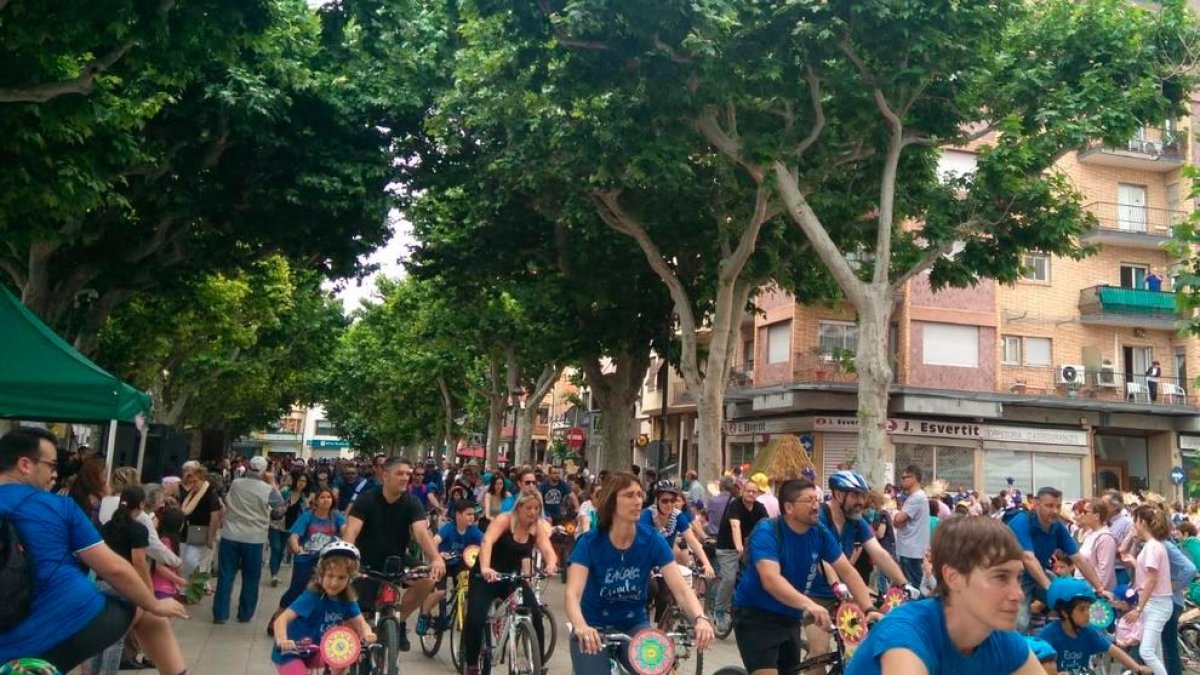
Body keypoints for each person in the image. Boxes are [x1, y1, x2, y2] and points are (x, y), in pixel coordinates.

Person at [0, 427, 190, 674]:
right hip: (76, 622)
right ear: (25, 464)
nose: (55, 474)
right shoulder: (58, 506)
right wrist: (154, 603)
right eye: (51, 465)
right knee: (145, 609)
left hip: (8, 649)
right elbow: (114, 569)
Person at [844, 515, 1042, 675]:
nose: (1018, 594)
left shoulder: (1001, 640)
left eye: (1018, 577)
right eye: (1000, 577)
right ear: (953, 577)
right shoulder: (907, 631)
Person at [565, 473, 714, 675]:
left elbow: (681, 589)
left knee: (654, 668)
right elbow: (572, 595)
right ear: (611, 502)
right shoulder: (590, 542)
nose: (637, 501)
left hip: (633, 625)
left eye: (639, 495)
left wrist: (700, 618)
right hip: (593, 627)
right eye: (629, 495)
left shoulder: (652, 539)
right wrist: (581, 626)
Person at [731, 478, 878, 675]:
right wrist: (809, 604)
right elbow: (771, 580)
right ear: (789, 508)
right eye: (809, 500)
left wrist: (868, 608)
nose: (816, 505)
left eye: (817, 499)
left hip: (790, 615)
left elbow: (847, 571)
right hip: (756, 614)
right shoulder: (767, 531)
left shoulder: (818, 532)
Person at [809, 471, 916, 665]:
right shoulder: (820, 519)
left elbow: (879, 553)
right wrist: (835, 584)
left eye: (862, 495)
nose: (861, 501)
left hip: (844, 594)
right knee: (819, 653)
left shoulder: (857, 521)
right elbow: (827, 560)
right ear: (839, 495)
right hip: (813, 595)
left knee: (858, 649)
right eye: (855, 495)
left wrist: (904, 584)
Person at [342, 456, 444, 652]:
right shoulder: (366, 500)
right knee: (356, 622)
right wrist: (346, 559)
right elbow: (351, 531)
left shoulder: (413, 502)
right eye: (400, 473)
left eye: (408, 473)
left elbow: (421, 533)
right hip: (365, 562)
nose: (405, 477)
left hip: (397, 560)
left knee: (427, 579)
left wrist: (436, 558)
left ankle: (398, 622)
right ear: (385, 475)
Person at [462, 489, 557, 675]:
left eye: (537, 508)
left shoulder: (536, 528)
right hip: (486, 576)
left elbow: (548, 551)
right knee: (477, 616)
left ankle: (538, 662)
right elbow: (487, 541)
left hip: (512, 577)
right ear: (519, 508)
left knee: (535, 613)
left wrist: (552, 565)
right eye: (529, 508)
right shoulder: (504, 520)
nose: (533, 512)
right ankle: (472, 663)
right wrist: (485, 568)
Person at [1007, 487, 1110, 633]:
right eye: (1049, 506)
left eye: (1058, 506)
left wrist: (1100, 588)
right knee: (1020, 623)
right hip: (1015, 578)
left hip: (1039, 573)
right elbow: (1028, 559)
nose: (1055, 511)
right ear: (1036, 504)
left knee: (1072, 603)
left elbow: (1079, 559)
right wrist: (1051, 589)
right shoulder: (1021, 522)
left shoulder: (1057, 527)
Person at [271, 541, 376, 675]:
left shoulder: (347, 600)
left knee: (345, 654)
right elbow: (281, 619)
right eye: (330, 576)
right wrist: (282, 640)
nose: (334, 583)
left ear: (350, 579)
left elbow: (361, 623)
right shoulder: (311, 597)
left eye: (341, 577)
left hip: (318, 651)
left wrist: (367, 633)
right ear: (321, 575)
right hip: (291, 653)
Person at [214, 455, 281, 624]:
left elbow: (226, 499)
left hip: (230, 535)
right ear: (265, 471)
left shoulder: (236, 484)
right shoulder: (267, 489)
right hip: (254, 538)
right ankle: (245, 614)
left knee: (226, 575)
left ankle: (220, 614)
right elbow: (279, 506)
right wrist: (272, 482)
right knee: (251, 578)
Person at [1037, 578, 1149, 674]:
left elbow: (1113, 650)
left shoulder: (1088, 632)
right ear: (1064, 612)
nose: (1088, 613)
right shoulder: (1048, 635)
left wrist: (1138, 668)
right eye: (1081, 609)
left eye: (1088, 608)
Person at [641, 480, 715, 624]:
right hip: (645, 561)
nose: (669, 504)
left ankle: (663, 632)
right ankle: (642, 625)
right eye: (665, 501)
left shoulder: (678, 516)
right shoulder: (646, 516)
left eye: (673, 500)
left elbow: (693, 541)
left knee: (666, 597)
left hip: (665, 562)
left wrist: (707, 563)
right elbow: (641, 544)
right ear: (657, 500)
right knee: (650, 588)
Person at [416, 499, 483, 636]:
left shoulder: (473, 531)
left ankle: (464, 617)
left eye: (473, 514)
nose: (472, 517)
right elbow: (434, 542)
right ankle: (424, 615)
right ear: (458, 515)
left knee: (467, 588)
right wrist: (438, 556)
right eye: (468, 514)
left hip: (460, 564)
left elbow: (486, 543)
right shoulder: (449, 528)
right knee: (439, 592)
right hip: (443, 564)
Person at [1122, 504, 1175, 675]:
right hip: (1157, 603)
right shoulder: (1154, 545)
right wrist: (1135, 563)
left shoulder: (1152, 546)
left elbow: (1152, 580)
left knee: (1147, 651)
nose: (1134, 525)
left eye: (1135, 521)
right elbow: (1150, 577)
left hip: (1156, 604)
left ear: (1142, 522)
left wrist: (1139, 608)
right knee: (1154, 651)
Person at [278, 487, 346, 612]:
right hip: (306, 559)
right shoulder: (307, 516)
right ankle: (279, 615)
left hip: (327, 561)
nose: (326, 500)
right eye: (322, 497)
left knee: (327, 591)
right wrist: (296, 546)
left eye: (329, 497)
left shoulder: (337, 516)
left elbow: (345, 532)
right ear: (316, 501)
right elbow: (294, 536)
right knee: (296, 591)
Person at [713, 476, 768, 629]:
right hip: (728, 548)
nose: (751, 494)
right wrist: (738, 546)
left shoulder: (759, 508)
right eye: (748, 491)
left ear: (758, 494)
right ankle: (720, 611)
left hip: (748, 548)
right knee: (729, 579)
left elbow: (767, 528)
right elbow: (735, 526)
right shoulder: (735, 506)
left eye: (754, 492)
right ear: (743, 492)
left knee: (758, 576)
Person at [179, 464, 221, 580]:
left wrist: (210, 537)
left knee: (191, 559)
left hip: (200, 530)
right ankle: (187, 585)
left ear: (202, 479)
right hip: (188, 530)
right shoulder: (192, 493)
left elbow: (215, 515)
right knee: (186, 559)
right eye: (190, 482)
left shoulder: (210, 493)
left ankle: (192, 585)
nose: (192, 485)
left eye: (195, 482)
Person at [891, 464, 931, 587]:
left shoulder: (916, 497)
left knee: (913, 588)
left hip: (911, 550)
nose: (902, 481)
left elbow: (898, 519)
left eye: (905, 478)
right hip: (912, 549)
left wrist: (896, 516)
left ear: (914, 478)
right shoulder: (917, 497)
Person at [1074, 497, 1117, 591]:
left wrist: (1097, 592)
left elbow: (1104, 572)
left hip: (1094, 594)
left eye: (1086, 512)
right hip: (1083, 589)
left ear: (1097, 516)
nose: (1082, 515)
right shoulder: (1089, 534)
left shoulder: (1105, 538)